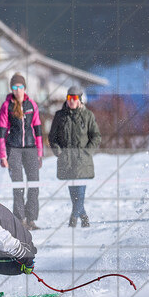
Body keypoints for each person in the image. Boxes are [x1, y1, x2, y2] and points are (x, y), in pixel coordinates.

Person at [48, 85, 102, 228]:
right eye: (69, 98)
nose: (71, 101)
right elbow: (52, 137)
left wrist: (87, 152)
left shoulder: (88, 115)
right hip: (67, 162)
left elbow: (96, 136)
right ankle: (83, 216)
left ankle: (73, 219)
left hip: (82, 162)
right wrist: (59, 152)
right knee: (74, 196)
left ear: (80, 99)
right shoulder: (60, 116)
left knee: (80, 193)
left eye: (74, 98)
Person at [0, 73, 43, 231]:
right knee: (18, 186)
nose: (17, 90)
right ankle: (19, 219)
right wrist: (3, 155)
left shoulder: (32, 105)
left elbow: (38, 130)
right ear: (11, 88)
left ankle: (31, 219)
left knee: (34, 184)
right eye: (15, 87)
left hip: (30, 148)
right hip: (14, 149)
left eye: (20, 87)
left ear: (24, 88)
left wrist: (40, 153)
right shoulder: (6, 106)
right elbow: (1, 132)